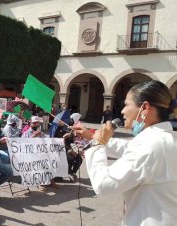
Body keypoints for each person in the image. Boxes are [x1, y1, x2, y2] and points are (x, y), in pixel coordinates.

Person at [74, 80, 177, 226]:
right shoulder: (164, 138)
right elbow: (128, 147)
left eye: (127, 104)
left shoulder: (150, 144)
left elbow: (103, 184)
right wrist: (92, 136)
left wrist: (97, 145)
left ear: (144, 108)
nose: (122, 111)